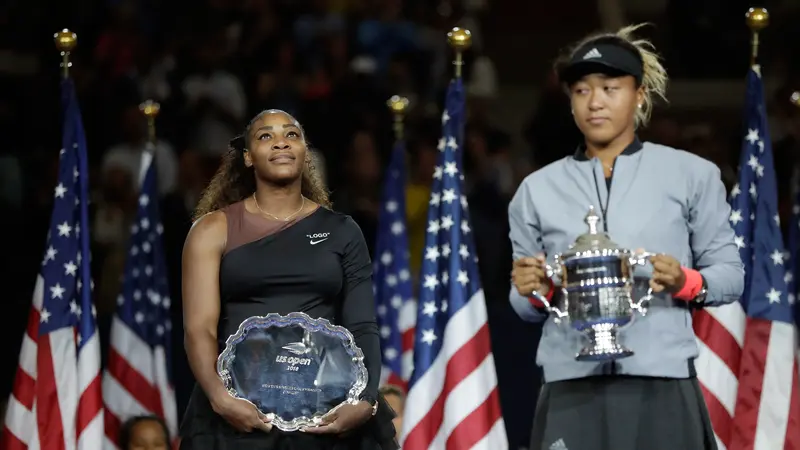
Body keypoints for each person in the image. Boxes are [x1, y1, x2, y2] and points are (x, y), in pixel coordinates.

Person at [508, 24, 744, 450]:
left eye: (610, 88)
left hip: (661, 381)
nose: (595, 102)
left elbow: (730, 275)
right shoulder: (535, 189)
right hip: (570, 382)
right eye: (581, 91)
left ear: (639, 95)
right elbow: (524, 304)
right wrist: (531, 290)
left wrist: (685, 281)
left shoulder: (691, 174)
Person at [179, 109, 398, 449]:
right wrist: (220, 398)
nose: (281, 142)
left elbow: (363, 325)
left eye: (292, 134)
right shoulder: (212, 229)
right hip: (238, 414)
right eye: (266, 136)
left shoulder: (342, 231)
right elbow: (199, 328)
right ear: (248, 157)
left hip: (327, 413)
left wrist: (365, 400)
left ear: (305, 151)